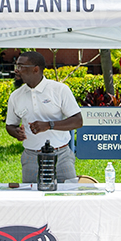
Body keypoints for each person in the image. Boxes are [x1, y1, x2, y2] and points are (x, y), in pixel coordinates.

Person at [5, 51, 83, 183]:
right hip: (31, 157)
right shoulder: (16, 96)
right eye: (16, 66)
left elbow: (78, 121)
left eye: (21, 66)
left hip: (61, 155)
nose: (17, 70)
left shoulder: (59, 90)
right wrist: (16, 133)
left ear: (36, 69)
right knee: (32, 200)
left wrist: (49, 125)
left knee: (68, 197)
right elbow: (10, 125)